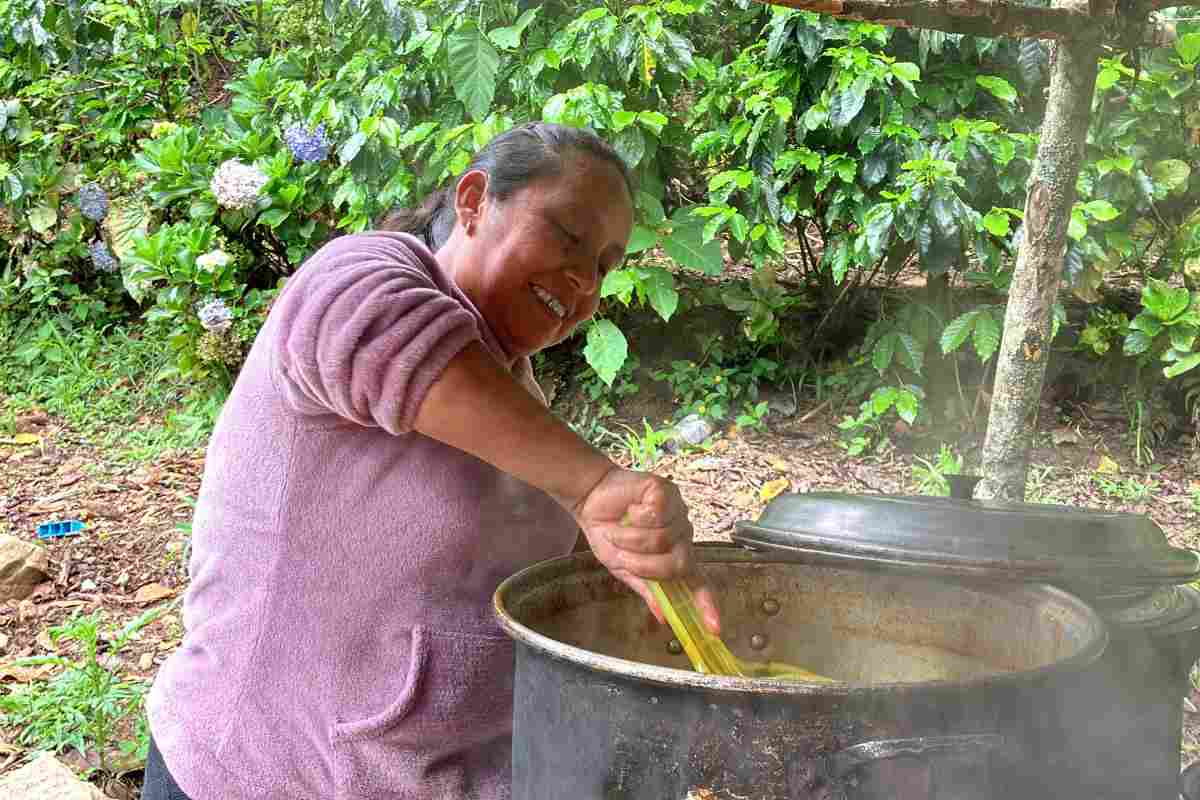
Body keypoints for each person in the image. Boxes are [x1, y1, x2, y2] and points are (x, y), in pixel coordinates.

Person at [142, 121, 721, 800]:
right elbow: (392, 337)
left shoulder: (516, 391)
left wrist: (649, 580)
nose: (583, 282)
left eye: (603, 266)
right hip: (261, 775)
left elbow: (554, 574)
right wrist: (595, 486)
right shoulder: (361, 274)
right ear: (474, 200)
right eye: (567, 237)